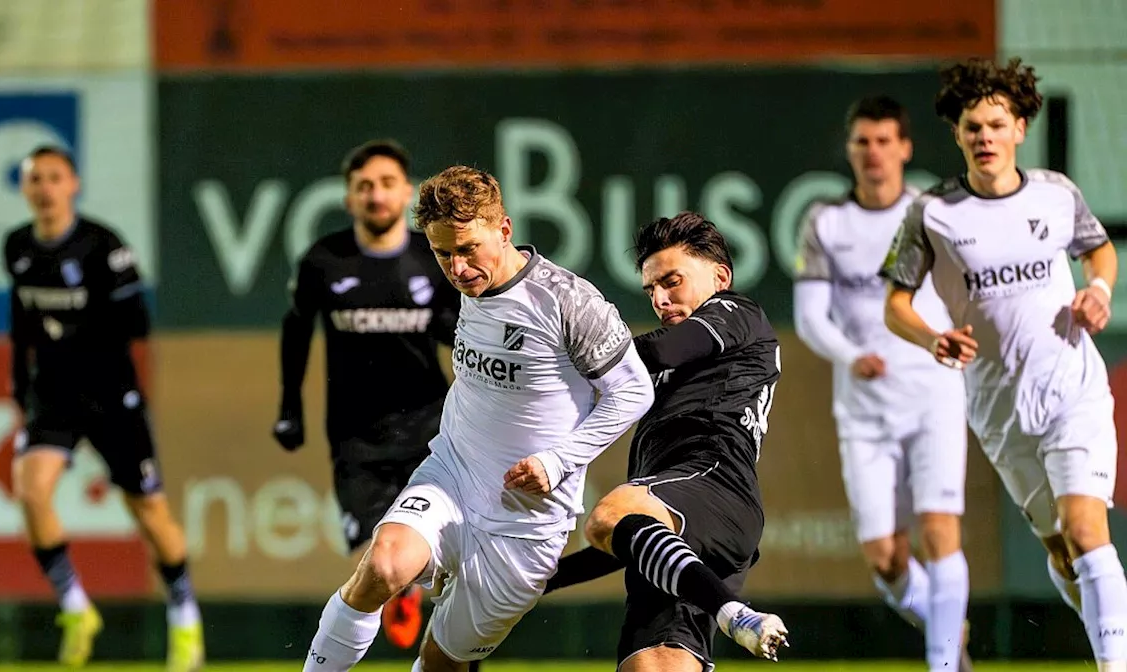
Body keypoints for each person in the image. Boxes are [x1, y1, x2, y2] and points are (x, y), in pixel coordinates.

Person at [301, 165, 655, 672]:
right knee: (383, 563)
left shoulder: (566, 301)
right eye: (443, 253)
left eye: (468, 249)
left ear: (504, 230)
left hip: (528, 519)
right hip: (453, 474)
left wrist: (559, 461)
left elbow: (634, 391)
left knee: (442, 661)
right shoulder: (462, 288)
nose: (458, 267)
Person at [881, 57, 1127, 671]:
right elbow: (895, 305)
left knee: (1086, 528)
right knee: (1066, 552)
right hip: (998, 409)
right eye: (972, 127)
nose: (984, 137)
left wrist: (1099, 292)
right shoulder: (932, 213)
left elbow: (1099, 255)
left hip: (1072, 390)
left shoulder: (1055, 193)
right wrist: (931, 337)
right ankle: (1110, 634)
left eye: (996, 124)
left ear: (1020, 128)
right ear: (958, 134)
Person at [544, 212, 789, 671]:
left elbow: (656, 351)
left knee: (612, 511)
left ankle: (734, 615)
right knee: (652, 665)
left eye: (672, 281)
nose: (660, 298)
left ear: (720, 275)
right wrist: (545, 581)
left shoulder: (737, 312)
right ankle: (729, 610)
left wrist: (552, 360)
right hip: (690, 528)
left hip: (715, 483)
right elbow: (633, 541)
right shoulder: (667, 383)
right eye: (651, 290)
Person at [3, 145, 203, 671]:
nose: (44, 188)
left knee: (149, 512)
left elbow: (135, 321)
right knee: (29, 487)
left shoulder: (103, 245)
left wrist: (74, 335)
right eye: (34, 179)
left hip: (110, 395)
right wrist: (19, 387)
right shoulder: (18, 247)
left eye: (54, 178)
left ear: (74, 185)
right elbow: (22, 323)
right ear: (24, 189)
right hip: (53, 396)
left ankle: (184, 615)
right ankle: (75, 607)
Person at [794, 96, 971, 671]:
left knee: (941, 532)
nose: (874, 153)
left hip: (933, 396)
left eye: (884, 141)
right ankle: (950, 628)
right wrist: (852, 354)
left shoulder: (933, 213)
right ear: (850, 151)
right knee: (886, 559)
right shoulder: (826, 222)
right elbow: (810, 316)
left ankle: (946, 662)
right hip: (865, 410)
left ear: (905, 148)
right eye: (862, 142)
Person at [274, 139, 460, 649]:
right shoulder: (324, 260)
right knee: (372, 544)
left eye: (385, 185)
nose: (375, 196)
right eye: (364, 187)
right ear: (349, 198)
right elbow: (296, 333)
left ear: (406, 192)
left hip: (433, 428)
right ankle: (407, 589)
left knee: (448, 550)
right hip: (356, 434)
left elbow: (466, 335)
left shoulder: (435, 258)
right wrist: (289, 408)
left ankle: (431, 609)